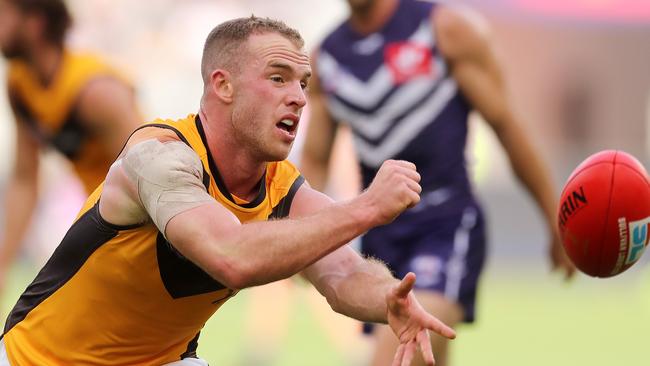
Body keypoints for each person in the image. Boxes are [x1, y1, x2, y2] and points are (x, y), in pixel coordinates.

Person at [0, 16, 457, 366]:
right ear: (223, 85)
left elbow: (342, 275)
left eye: (303, 83)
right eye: (278, 78)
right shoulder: (159, 156)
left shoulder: (283, 191)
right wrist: (368, 209)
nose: (298, 96)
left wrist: (387, 299)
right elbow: (230, 256)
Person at [300, 1, 577, 365]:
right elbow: (315, 161)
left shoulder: (444, 30)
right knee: (427, 357)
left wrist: (553, 217)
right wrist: (303, 238)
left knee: (400, 352)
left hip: (446, 223)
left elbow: (508, 128)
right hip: (381, 238)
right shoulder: (327, 59)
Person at [0, 0, 141, 296]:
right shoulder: (20, 84)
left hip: (133, 233)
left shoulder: (97, 92)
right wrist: (2, 265)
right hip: (98, 225)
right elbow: (25, 179)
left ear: (35, 22)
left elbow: (148, 177)